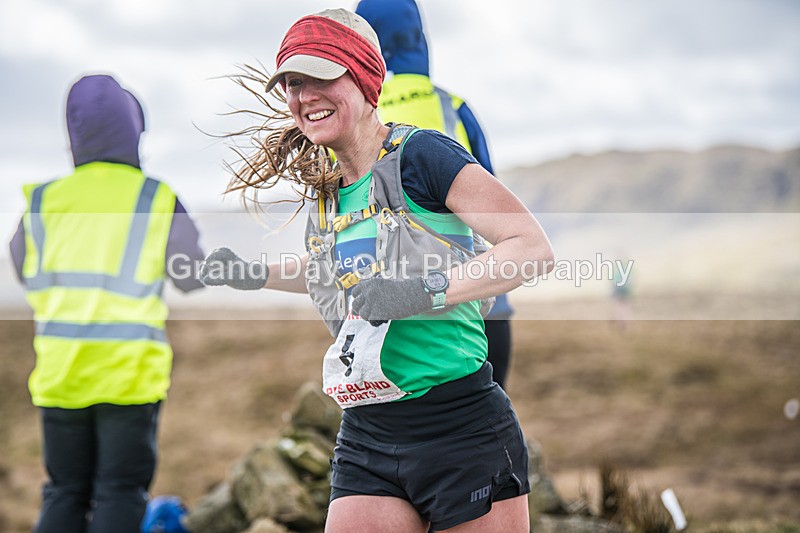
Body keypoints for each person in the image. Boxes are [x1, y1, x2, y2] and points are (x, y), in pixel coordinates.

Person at [201, 8, 553, 532]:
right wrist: (256, 274)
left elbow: (530, 248)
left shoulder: (423, 156)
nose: (305, 95)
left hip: (461, 427)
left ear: (365, 78)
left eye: (322, 77)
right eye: (293, 84)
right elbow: (332, 271)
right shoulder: (327, 188)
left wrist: (421, 292)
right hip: (369, 433)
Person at [8, 74, 205, 533]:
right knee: (119, 491)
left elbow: (21, 266)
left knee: (64, 491)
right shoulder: (155, 197)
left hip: (60, 373)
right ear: (133, 129)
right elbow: (192, 276)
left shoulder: (43, 200)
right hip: (128, 376)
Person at [355, 0, 516, 389]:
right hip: (478, 302)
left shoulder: (348, 120)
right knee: (484, 417)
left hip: (382, 317)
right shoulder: (453, 108)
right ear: (419, 36)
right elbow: (498, 216)